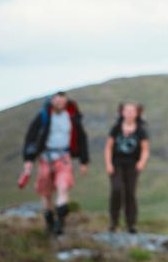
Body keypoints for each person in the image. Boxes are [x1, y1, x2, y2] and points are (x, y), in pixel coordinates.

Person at [22, 91, 89, 236]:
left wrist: (84, 161)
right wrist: (28, 160)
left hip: (64, 158)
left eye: (62, 101)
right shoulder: (43, 117)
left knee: (63, 187)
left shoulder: (72, 118)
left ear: (66, 102)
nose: (60, 104)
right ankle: (49, 221)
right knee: (46, 193)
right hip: (45, 158)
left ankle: (60, 223)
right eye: (57, 101)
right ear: (52, 101)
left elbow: (82, 139)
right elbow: (31, 138)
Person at [104, 102, 150, 234]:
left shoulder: (141, 130)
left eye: (132, 111)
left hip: (132, 165)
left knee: (130, 193)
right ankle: (114, 221)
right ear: (122, 112)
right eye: (127, 111)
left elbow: (145, 149)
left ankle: (131, 224)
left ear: (137, 113)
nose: (129, 113)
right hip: (116, 164)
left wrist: (141, 163)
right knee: (117, 190)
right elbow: (108, 147)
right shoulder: (116, 128)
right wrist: (108, 164)